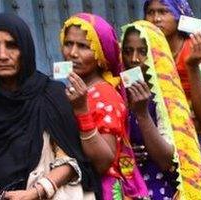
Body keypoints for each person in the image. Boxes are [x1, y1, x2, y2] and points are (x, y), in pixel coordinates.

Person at [0, 12, 99, 199]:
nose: (2, 55)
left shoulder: (50, 94)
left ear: (25, 49)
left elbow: (71, 159)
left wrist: (36, 192)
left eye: (12, 45)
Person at [144, 0, 201, 199]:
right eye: (150, 12)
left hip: (197, 148)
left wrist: (192, 67)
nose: (156, 18)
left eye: (163, 12)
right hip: (157, 151)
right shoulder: (142, 53)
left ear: (180, 15)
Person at [60, 13, 149, 199]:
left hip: (106, 191)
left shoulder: (105, 95)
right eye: (68, 43)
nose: (73, 53)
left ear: (101, 53)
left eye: (83, 46)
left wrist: (82, 112)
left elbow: (102, 162)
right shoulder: (76, 89)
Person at [118, 20, 201, 200]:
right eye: (127, 51)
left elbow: (166, 160)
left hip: (158, 188)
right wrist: (126, 152)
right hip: (124, 188)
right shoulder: (116, 93)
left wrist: (142, 114)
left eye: (143, 52)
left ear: (156, 55)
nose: (134, 59)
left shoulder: (167, 99)